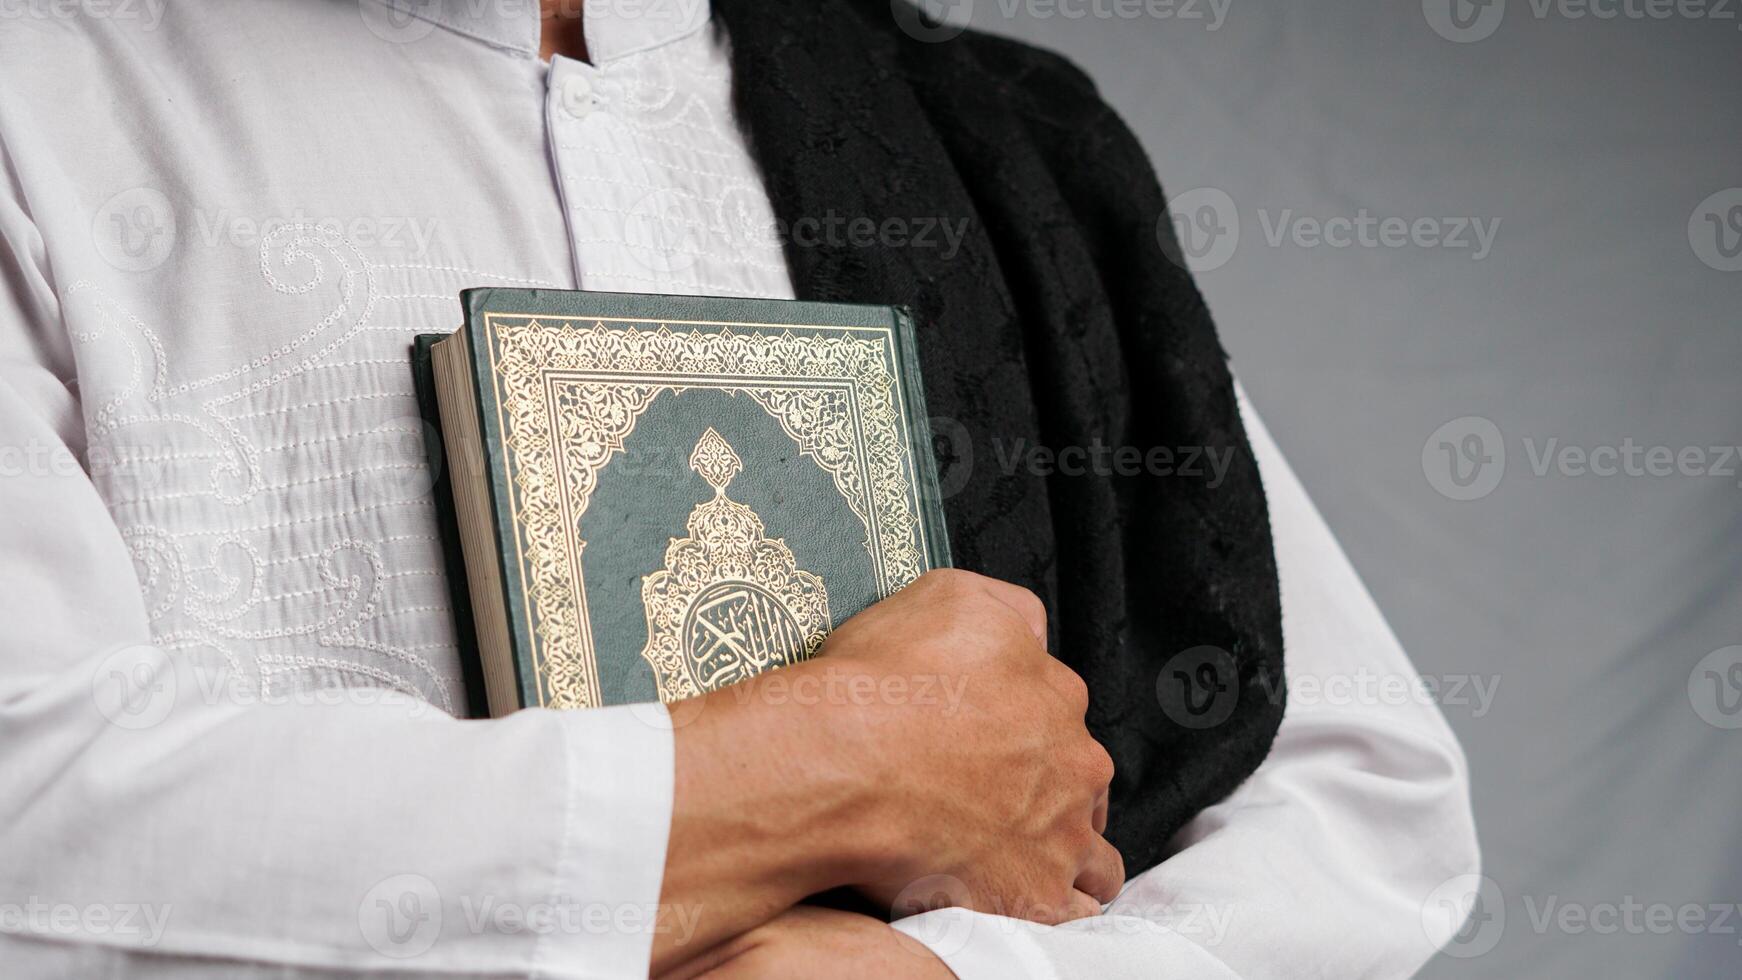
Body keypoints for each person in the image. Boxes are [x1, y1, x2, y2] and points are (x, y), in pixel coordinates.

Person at [0, 1, 1478, 976]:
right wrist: (830, 769)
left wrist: (957, 974)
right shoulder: (41, 92)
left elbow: (1359, 808)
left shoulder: (991, 143)